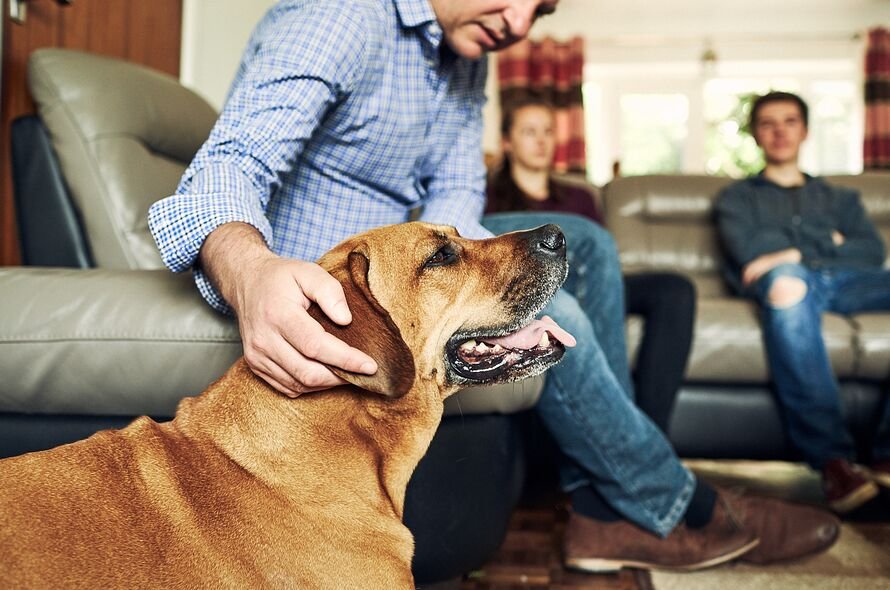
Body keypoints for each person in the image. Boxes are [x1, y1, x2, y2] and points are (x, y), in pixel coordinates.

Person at [149, 0, 838, 572]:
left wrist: (491, 278)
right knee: (555, 301)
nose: (516, 23)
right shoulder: (343, 15)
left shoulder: (465, 52)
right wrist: (250, 272)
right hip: (348, 273)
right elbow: (230, 162)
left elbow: (454, 198)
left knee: (586, 243)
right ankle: (663, 499)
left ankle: (600, 504)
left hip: (421, 247)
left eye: (538, 9)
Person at [716, 90, 890, 514]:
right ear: (756, 135)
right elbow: (753, 252)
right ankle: (833, 462)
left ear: (805, 130)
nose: (779, 131)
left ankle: (886, 457)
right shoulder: (737, 198)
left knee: (790, 270)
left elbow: (870, 253)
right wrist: (823, 245)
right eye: (768, 123)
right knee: (786, 285)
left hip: (847, 281)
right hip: (787, 282)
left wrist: (794, 251)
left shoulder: (841, 199)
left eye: (789, 121)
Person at [487, 95, 695, 431]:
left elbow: (600, 262)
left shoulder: (580, 197)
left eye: (548, 131)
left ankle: (652, 430)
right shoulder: (488, 197)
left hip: (592, 282)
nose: (541, 140)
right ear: (507, 142)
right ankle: (626, 423)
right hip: (543, 286)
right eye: (529, 131)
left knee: (674, 290)